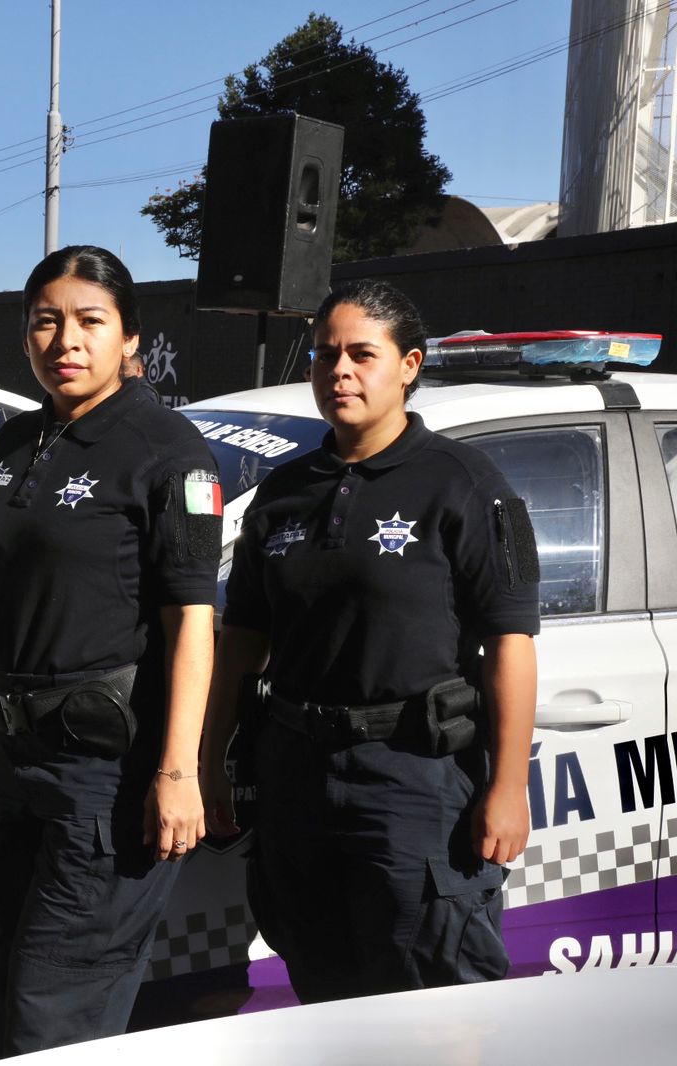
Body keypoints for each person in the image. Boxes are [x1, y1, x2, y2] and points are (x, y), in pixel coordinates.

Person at [0, 245, 220, 1055]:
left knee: (54, 1009)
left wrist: (178, 773)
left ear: (130, 339)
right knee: (9, 977)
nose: (65, 339)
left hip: (102, 781)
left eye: (90, 321)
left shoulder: (166, 453)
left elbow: (191, 625)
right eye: (45, 321)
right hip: (8, 767)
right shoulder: (15, 441)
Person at [200, 279, 540, 1003]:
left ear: (409, 365)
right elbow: (244, 639)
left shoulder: (463, 485)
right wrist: (211, 755)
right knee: (324, 992)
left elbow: (509, 643)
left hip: (412, 779)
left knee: (437, 999)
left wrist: (508, 789)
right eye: (325, 356)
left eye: (361, 354)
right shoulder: (284, 493)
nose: (339, 372)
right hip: (297, 777)